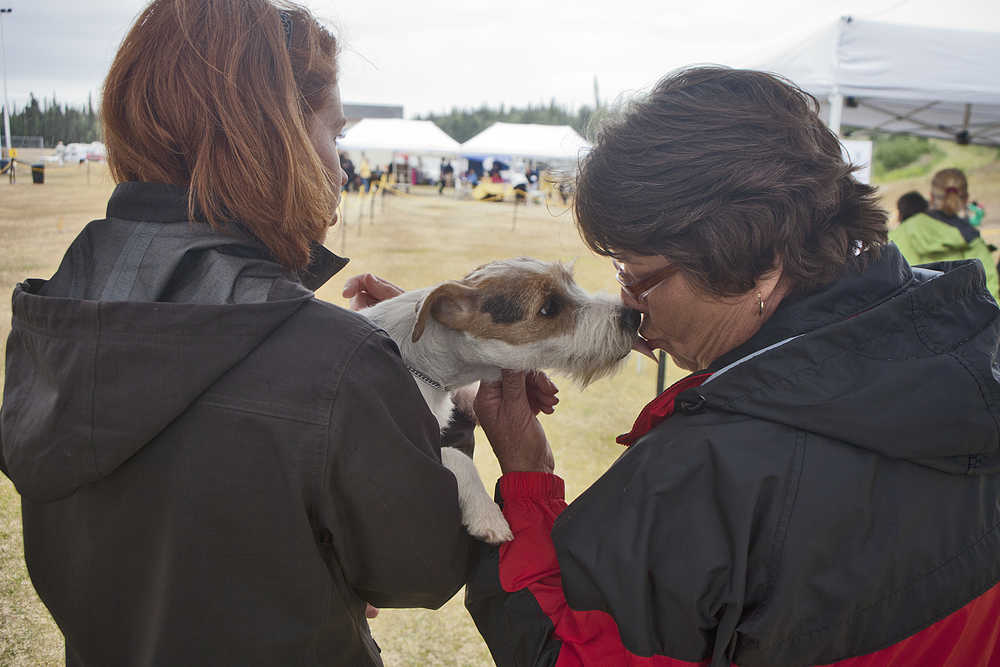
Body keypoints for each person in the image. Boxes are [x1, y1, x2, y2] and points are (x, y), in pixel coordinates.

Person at [462, 67, 1000, 666]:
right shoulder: (972, 343)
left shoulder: (713, 466)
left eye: (637, 276)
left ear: (762, 262)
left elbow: (567, 653)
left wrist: (528, 476)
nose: (628, 305)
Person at [0, 1, 475, 665]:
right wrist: (439, 387)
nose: (338, 168)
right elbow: (422, 569)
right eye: (333, 132)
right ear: (273, 132)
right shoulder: (334, 360)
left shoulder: (57, 317)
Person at [889, 168, 999, 301]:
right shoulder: (971, 240)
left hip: (910, 317)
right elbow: (990, 294)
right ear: (966, 198)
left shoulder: (900, 234)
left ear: (930, 197)